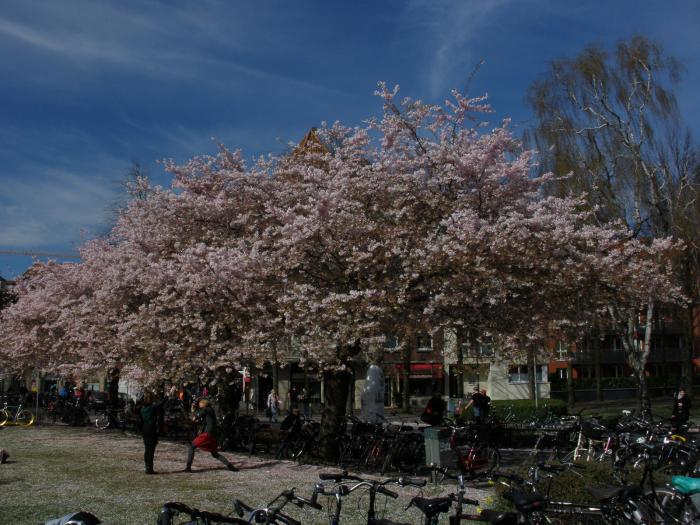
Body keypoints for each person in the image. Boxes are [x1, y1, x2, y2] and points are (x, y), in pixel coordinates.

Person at [184, 398, 238, 472]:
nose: (199, 404)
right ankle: (230, 466)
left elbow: (195, 417)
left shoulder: (206, 409)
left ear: (204, 403)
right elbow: (198, 418)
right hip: (213, 434)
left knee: (192, 447)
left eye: (200, 403)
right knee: (214, 454)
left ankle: (188, 467)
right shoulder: (209, 410)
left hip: (208, 433)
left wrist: (193, 409)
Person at [138, 392, 167, 474]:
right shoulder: (152, 408)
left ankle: (147, 466)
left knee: (147, 449)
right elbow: (160, 404)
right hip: (152, 430)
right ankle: (149, 468)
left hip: (145, 429)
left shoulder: (142, 408)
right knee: (151, 450)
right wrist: (167, 395)